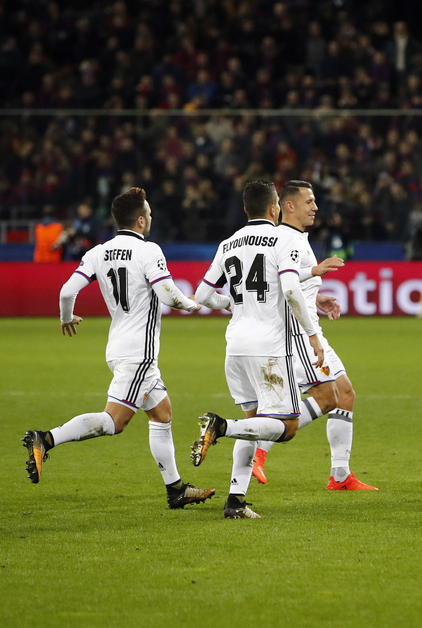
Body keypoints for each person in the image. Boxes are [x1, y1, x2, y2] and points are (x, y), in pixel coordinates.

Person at [23, 187, 216, 511]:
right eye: (150, 214)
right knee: (115, 421)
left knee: (162, 412)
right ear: (140, 220)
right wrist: (193, 305)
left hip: (118, 346)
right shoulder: (148, 250)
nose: (151, 218)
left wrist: (66, 317)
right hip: (138, 353)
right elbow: (168, 294)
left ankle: (176, 490)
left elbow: (67, 290)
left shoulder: (99, 252)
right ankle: (46, 438)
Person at [190, 181, 325, 519]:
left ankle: (236, 501)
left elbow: (203, 296)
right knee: (288, 427)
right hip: (269, 347)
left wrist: (234, 305)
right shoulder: (284, 239)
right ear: (275, 208)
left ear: (246, 209)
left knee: (254, 423)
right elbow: (292, 290)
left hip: (235, 346)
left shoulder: (229, 242)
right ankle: (221, 427)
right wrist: (313, 335)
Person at [250, 180, 377, 491]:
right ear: (288, 206)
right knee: (327, 398)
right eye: (309, 202)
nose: (315, 207)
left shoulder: (294, 238)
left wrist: (317, 299)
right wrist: (310, 331)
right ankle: (260, 449)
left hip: (308, 326)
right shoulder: (288, 239)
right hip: (298, 333)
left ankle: (340, 476)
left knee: (345, 395)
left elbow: (286, 283)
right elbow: (284, 287)